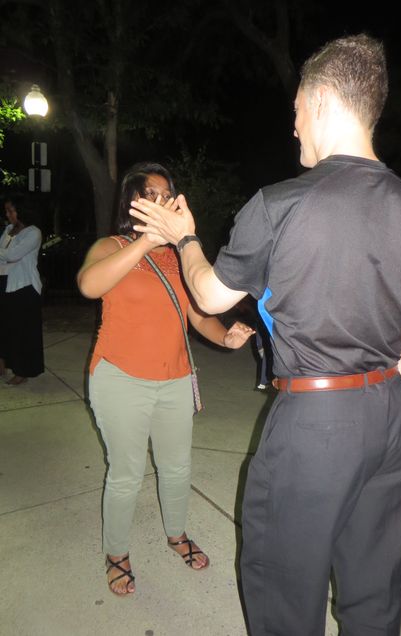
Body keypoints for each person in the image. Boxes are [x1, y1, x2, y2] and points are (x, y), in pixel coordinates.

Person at [129, 35, 401, 636]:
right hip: (394, 421)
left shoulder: (279, 205)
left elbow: (209, 297)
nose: (292, 128)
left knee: (283, 590)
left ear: (318, 101)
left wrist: (185, 239)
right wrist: (386, 373)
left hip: (315, 425)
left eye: (293, 111)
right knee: (374, 589)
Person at [76, 162, 254, 596]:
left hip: (174, 379)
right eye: (152, 193)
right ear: (134, 203)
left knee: (177, 467)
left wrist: (226, 337)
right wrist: (145, 242)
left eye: (167, 193)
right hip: (119, 377)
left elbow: (198, 315)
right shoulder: (112, 245)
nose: (163, 199)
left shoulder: (180, 258)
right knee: (127, 472)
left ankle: (176, 534)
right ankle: (116, 551)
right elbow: (88, 285)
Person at [0, 195, 44, 385]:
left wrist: (7, 255)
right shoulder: (8, 230)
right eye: (7, 211)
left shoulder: (33, 233)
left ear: (22, 211)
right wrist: (7, 255)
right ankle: (3, 365)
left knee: (23, 330)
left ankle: (23, 371)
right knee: (5, 327)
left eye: (11, 210)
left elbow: (13, 254)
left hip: (24, 285)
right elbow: (7, 256)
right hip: (4, 282)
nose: (8, 214)